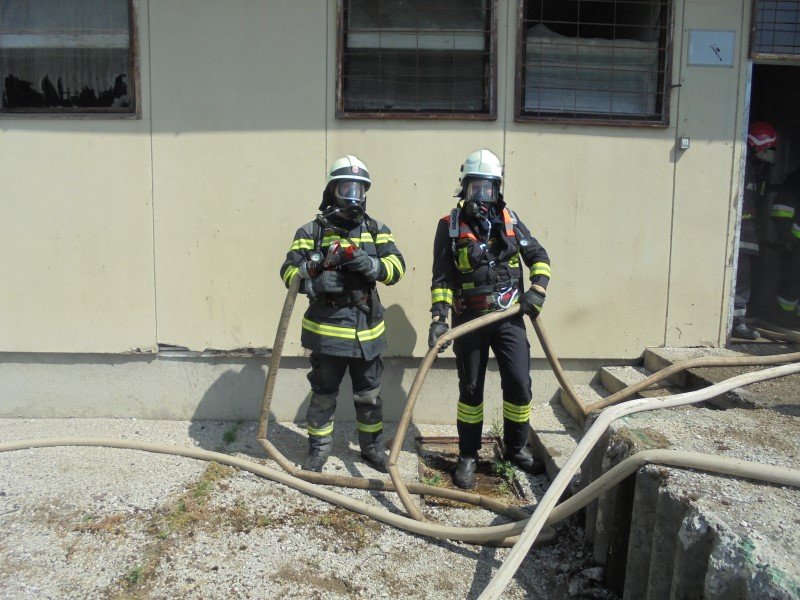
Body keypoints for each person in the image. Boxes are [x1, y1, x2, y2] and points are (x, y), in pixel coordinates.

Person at [428, 149, 551, 489]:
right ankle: (468, 456)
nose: (481, 196)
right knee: (470, 389)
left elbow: (538, 256)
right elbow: (442, 278)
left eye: (488, 188)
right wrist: (439, 319)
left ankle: (515, 449)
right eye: (475, 188)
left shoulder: (509, 220)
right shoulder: (449, 226)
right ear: (464, 188)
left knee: (519, 383)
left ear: (497, 189)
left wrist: (537, 290)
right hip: (469, 320)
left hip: (509, 319)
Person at [280, 155, 405, 473]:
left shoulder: (377, 230)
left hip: (367, 333)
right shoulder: (311, 232)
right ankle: (318, 450)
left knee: (369, 396)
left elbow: (397, 267)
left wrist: (373, 265)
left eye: (359, 189)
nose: (354, 196)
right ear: (332, 191)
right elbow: (288, 272)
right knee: (323, 395)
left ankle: (372, 448)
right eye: (346, 188)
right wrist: (315, 283)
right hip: (327, 333)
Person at [733, 121, 778, 340]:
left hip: (746, 234)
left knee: (743, 278)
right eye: (769, 150)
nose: (770, 157)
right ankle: (736, 322)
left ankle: (737, 320)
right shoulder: (743, 167)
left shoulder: (753, 171)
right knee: (741, 279)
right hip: (740, 235)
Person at [769, 168, 800, 329]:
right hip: (796, 244)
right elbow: (781, 208)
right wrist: (786, 237)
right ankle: (784, 319)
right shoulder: (796, 178)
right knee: (792, 281)